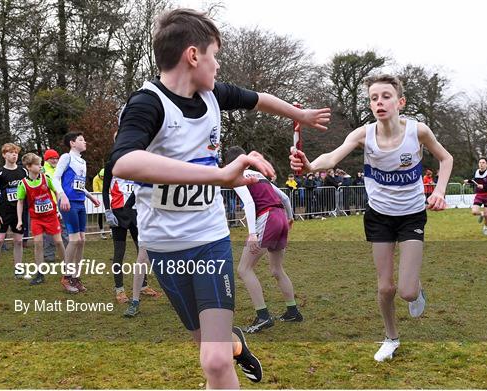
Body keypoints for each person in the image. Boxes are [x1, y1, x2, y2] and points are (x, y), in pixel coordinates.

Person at [109, 8, 330, 388]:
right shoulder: (148, 104)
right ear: (193, 56)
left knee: (212, 362)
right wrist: (220, 176)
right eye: (215, 55)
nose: (219, 65)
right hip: (164, 247)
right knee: (215, 349)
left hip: (209, 241)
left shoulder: (213, 95)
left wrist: (300, 114)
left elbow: (259, 98)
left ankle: (227, 351)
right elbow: (124, 162)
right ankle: (237, 346)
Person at [290, 74, 453, 362]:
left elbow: (446, 158)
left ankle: (415, 289)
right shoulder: (363, 134)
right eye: (374, 98)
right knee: (385, 287)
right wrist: (310, 164)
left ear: (400, 102)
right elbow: (332, 158)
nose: (379, 102)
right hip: (379, 216)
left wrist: (439, 191)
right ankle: (391, 337)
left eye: (386, 96)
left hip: (412, 215)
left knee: (405, 291)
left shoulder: (419, 131)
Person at [227, 146, 302, 334]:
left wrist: (252, 233)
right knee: (277, 270)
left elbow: (250, 203)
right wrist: (290, 218)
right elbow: (284, 197)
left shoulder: (239, 175)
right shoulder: (259, 174)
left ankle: (263, 316)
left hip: (267, 217)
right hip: (281, 217)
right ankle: (292, 311)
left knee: (244, 269)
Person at [102, 161, 162, 303]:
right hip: (118, 213)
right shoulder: (112, 164)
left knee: (142, 251)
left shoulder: (136, 161)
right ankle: (119, 290)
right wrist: (107, 211)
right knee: (119, 252)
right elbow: (105, 190)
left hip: (136, 213)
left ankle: (143, 286)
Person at [53, 132, 101, 293]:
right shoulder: (66, 157)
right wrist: (62, 196)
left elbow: (79, 185)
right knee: (74, 240)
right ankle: (66, 277)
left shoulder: (82, 161)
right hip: (68, 203)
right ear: (72, 143)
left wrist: (91, 197)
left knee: (81, 240)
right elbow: (55, 178)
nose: (85, 141)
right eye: (81, 139)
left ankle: (76, 277)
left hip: (80, 203)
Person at [16, 153, 66, 285]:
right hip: (36, 219)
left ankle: (68, 269)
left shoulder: (46, 178)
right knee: (38, 244)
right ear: (28, 167)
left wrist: (58, 209)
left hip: (51, 216)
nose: (40, 166)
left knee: (59, 242)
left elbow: (56, 191)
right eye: (38, 164)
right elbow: (20, 202)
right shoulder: (23, 184)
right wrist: (20, 220)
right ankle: (40, 273)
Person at [0, 143, 28, 284]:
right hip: (3, 212)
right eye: (10, 152)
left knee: (19, 241)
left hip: (19, 212)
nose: (14, 155)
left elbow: (28, 190)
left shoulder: (23, 171)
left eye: (16, 153)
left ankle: (18, 271)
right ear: (4, 155)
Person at [41, 148, 69, 262]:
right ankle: (49, 255)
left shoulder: (60, 170)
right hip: (48, 205)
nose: (54, 160)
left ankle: (69, 253)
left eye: (56, 158)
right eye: (51, 158)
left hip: (61, 203)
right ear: (46, 160)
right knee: (48, 232)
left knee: (65, 229)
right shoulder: (42, 171)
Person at [464, 157, 487, 235]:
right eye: (480, 162)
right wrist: (468, 181)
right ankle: (481, 214)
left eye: (483, 163)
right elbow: (474, 180)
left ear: (486, 164)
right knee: (474, 212)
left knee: (486, 214)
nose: (481, 164)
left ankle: (486, 227)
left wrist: (484, 186)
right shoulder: (477, 172)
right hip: (479, 195)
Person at [93, 168, 107, 239]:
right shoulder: (96, 179)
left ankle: (111, 231)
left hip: (107, 197)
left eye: (104, 177)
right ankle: (102, 231)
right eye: (102, 177)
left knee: (109, 213)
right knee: (100, 215)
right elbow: (96, 190)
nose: (103, 178)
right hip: (100, 198)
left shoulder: (107, 178)